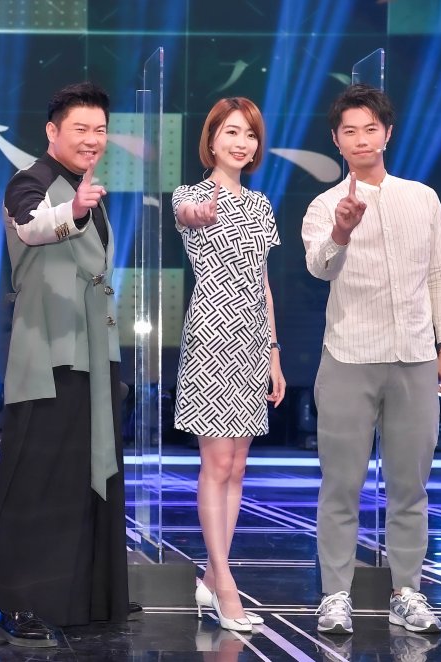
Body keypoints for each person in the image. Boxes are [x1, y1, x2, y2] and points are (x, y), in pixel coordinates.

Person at [302, 83, 441, 635]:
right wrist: (342, 231)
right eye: (350, 131)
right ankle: (335, 595)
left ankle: (407, 591)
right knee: (341, 484)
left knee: (409, 487)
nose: (361, 139)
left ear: (387, 133)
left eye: (371, 128)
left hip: (414, 357)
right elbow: (320, 267)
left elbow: (440, 276)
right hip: (348, 356)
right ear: (336, 140)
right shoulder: (324, 206)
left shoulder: (422, 198)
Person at [0, 81, 129, 648]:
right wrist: (75, 210)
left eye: (100, 129)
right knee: (36, 477)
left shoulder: (86, 186)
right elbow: (32, 226)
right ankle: (17, 600)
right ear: (52, 131)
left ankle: (86, 595)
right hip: (47, 350)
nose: (92, 139)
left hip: (93, 348)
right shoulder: (32, 180)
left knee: (85, 473)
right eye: (80, 128)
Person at [173, 97, 285, 633]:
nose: (242, 143)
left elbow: (263, 284)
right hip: (212, 340)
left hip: (252, 343)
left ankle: (211, 576)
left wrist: (274, 354)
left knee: (238, 467)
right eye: (233, 133)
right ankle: (224, 584)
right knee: (216, 465)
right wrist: (201, 214)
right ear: (212, 139)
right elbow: (189, 216)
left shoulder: (261, 205)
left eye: (250, 135)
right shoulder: (188, 195)